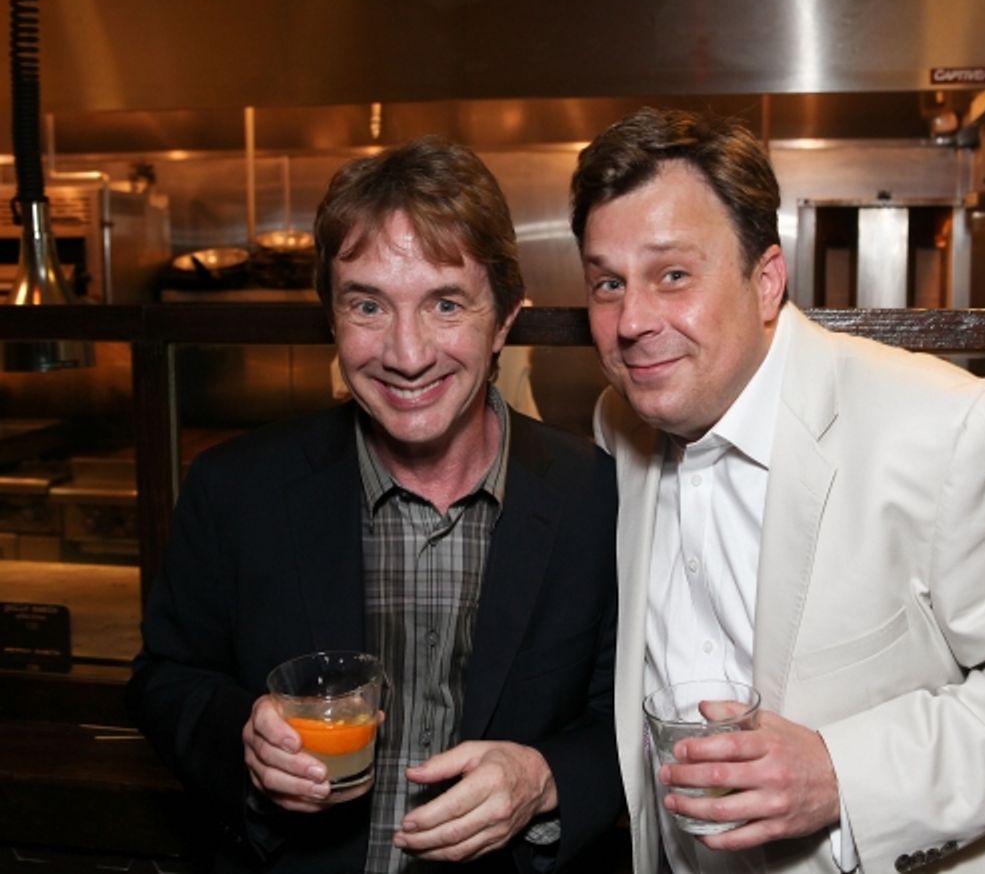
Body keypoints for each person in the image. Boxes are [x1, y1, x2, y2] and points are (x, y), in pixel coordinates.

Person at [569, 107, 985, 874]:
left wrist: (843, 776)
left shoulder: (943, 426)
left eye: (673, 274)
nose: (633, 320)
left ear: (766, 280)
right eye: (608, 283)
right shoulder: (622, 423)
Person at [127, 137, 623, 874]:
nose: (406, 353)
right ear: (331, 315)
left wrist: (544, 779)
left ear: (504, 322)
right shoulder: (236, 491)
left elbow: (632, 717)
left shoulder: (598, 499)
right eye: (368, 304)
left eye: (445, 304)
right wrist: (245, 738)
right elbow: (167, 680)